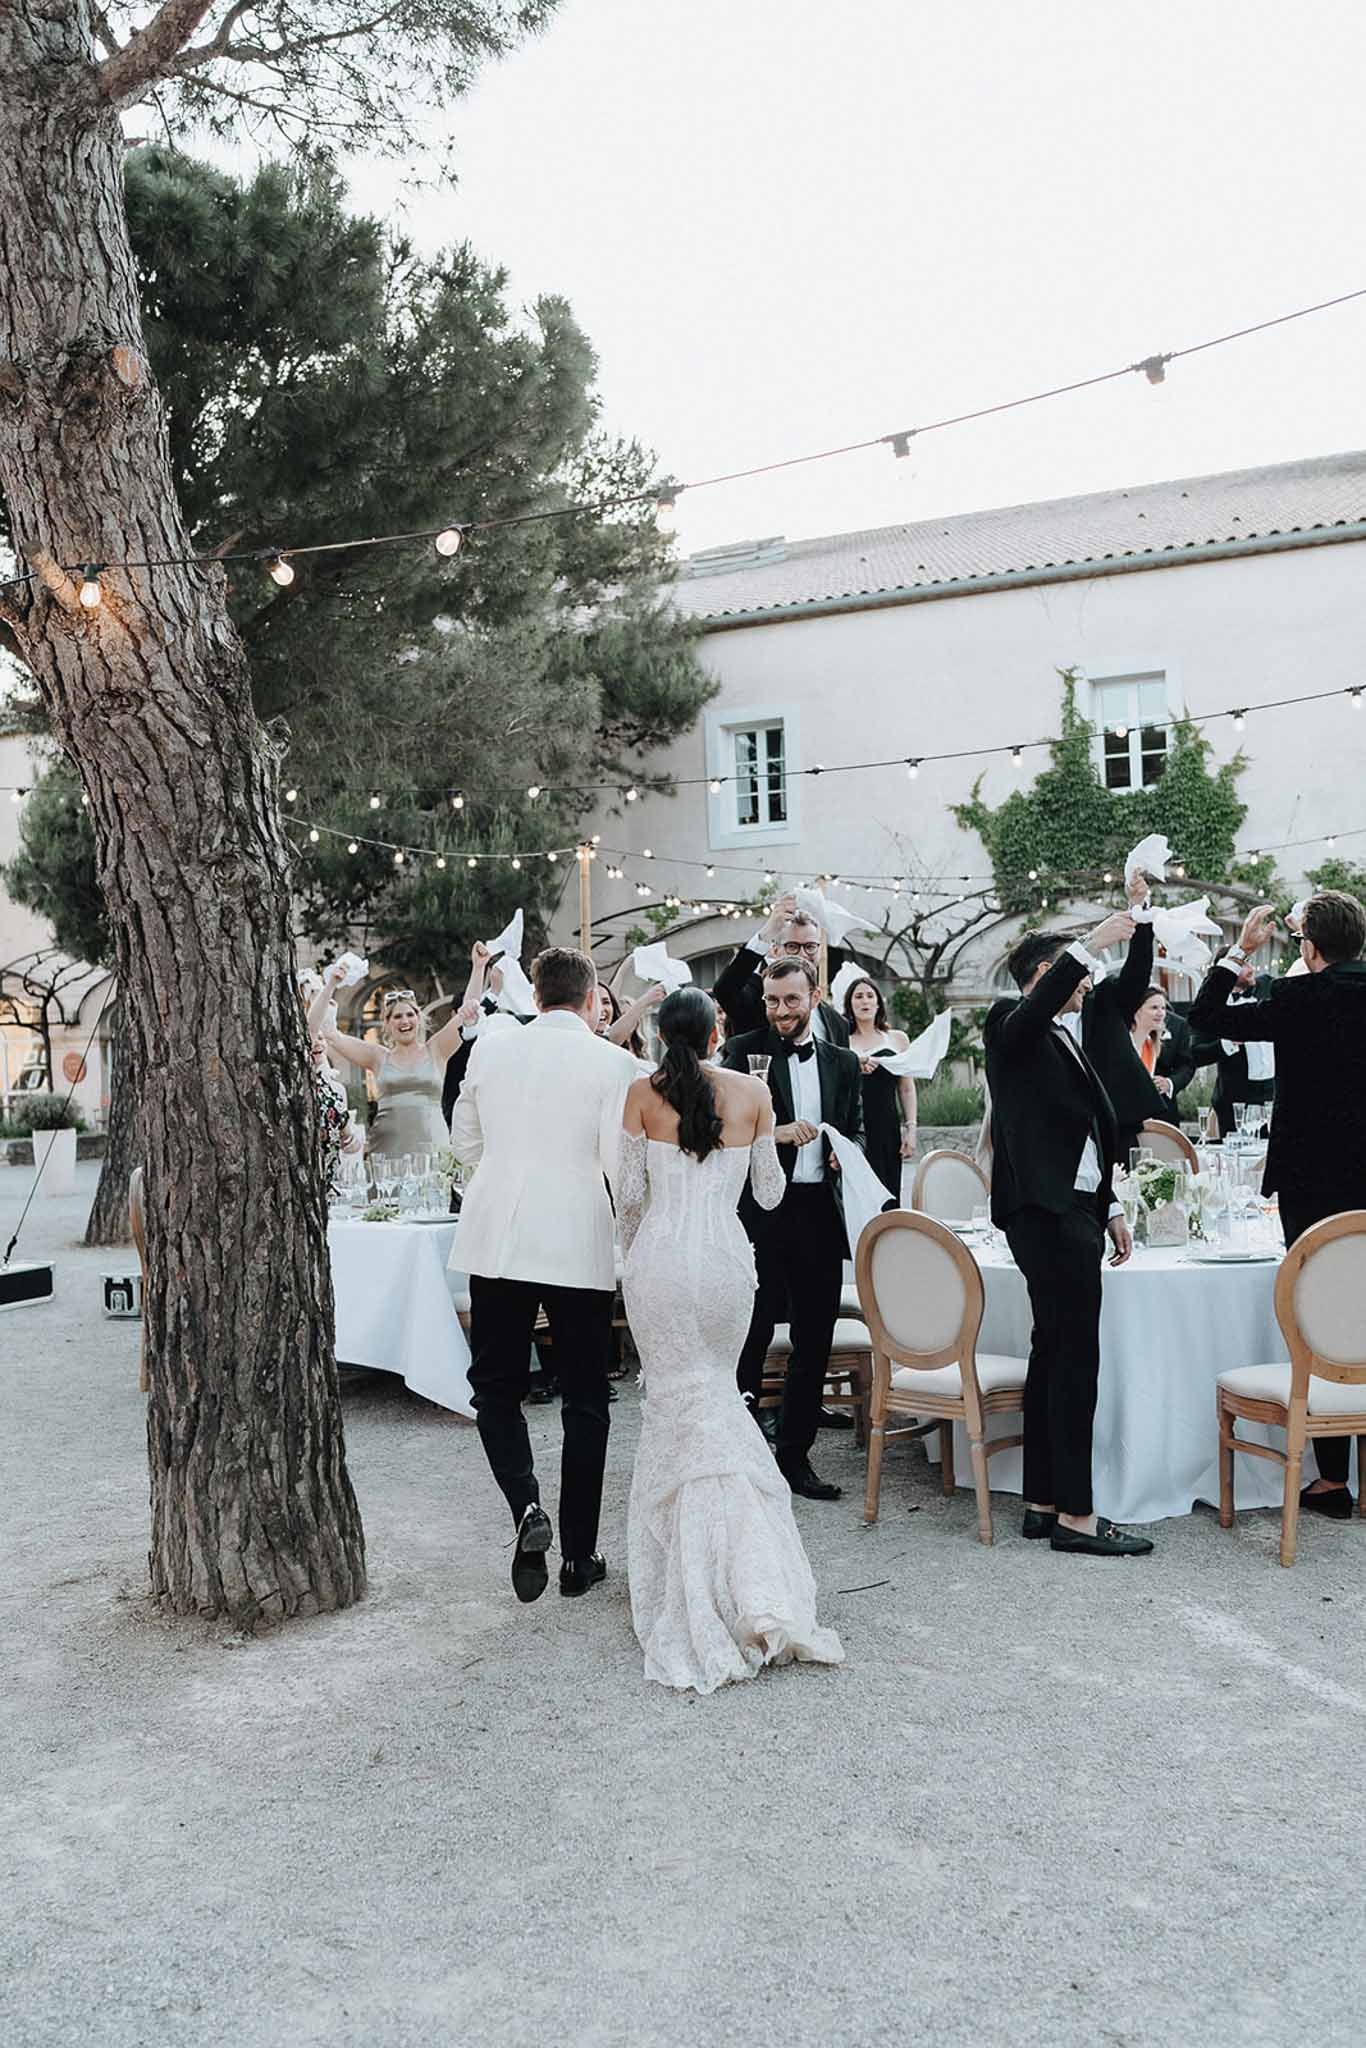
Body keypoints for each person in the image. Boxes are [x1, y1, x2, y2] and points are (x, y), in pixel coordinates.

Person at [616, 987, 845, 1693]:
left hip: (658, 1262)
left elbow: (628, 1198)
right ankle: (749, 1572)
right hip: (723, 1262)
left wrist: (638, 1253)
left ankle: (680, 1572)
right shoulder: (753, 1091)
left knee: (675, 1406)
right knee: (719, 1395)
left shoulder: (641, 1092)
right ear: (720, 1030)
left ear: (661, 1031)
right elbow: (770, 1197)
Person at [450, 946, 636, 1602]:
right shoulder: (615, 1063)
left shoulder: (492, 1047)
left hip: (497, 1232)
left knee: (495, 1387)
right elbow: (622, 1163)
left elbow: (464, 1146)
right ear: (591, 1001)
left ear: (536, 994)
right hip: (576, 1237)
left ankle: (526, 1507)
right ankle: (579, 1561)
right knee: (585, 1397)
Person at [1189, 889, 1366, 1517]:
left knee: (1321, 1314)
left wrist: (1238, 950)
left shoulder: (1295, 999)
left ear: (1310, 947)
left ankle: (1334, 1480)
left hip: (1312, 1180)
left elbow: (1207, 1017)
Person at [985, 912, 1152, 1558]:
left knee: (1052, 1351)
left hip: (1077, 1209)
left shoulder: (1062, 1037)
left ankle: (1042, 1500)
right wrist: (1090, 944)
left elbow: (1083, 1132)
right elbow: (1037, 1009)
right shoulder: (1008, 1024)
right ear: (1046, 976)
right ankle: (1079, 1518)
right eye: (1074, 975)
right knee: (1077, 1356)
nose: (1088, 984)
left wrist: (1108, 1207)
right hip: (1046, 1214)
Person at [720, 956, 865, 1501]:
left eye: (791, 1000)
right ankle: (741, 1451)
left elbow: (858, 1130)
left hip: (818, 1215)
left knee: (814, 1338)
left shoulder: (844, 1062)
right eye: (772, 1001)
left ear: (815, 997)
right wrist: (775, 1134)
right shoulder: (741, 1051)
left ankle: (796, 1459)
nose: (780, 1010)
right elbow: (720, 1130)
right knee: (751, 1331)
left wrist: (843, 1155)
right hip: (760, 1211)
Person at [309, 965, 476, 1171]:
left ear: (418, 1018)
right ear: (387, 1023)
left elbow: (469, 1012)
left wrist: (478, 966)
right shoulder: (378, 1056)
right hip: (386, 1152)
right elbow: (332, 1035)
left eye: (409, 1014)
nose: (404, 1021)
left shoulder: (436, 1049)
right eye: (397, 1016)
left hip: (432, 1148)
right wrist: (332, 984)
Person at [1078, 871, 1167, 1164]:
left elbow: (1137, 971)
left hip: (1116, 1123)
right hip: (1064, 1132)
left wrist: (1139, 909)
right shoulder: (1033, 1019)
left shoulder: (1103, 1000)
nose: (1086, 979)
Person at [713, 892, 850, 1046]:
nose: (802, 954)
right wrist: (766, 934)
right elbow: (725, 990)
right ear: (775, 951)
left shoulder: (838, 1023)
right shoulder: (755, 993)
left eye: (810, 946)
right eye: (792, 946)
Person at [842, 975, 916, 1201]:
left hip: (887, 1126)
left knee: (888, 1192)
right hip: (854, 1127)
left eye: (869, 996)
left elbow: (907, 1087)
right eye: (858, 996)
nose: (864, 1001)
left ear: (878, 1002)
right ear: (850, 1004)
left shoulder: (897, 1039)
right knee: (858, 1196)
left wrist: (911, 1128)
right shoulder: (842, 1041)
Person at [1197, 948, 1277, 1137]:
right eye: (1242, 965)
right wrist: (1229, 1043)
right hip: (1235, 1100)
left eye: (1249, 962)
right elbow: (1196, 1054)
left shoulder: (1268, 986)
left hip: (1272, 1094)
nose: (1250, 969)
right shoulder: (1210, 1007)